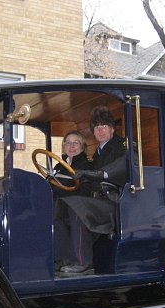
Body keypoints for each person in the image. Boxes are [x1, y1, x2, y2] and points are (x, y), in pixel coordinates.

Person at [56, 105, 127, 275]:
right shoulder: (97, 154)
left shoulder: (122, 146)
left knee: (76, 205)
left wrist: (96, 173)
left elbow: (122, 165)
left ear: (112, 129)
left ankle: (84, 262)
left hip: (113, 201)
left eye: (104, 126)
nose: (100, 130)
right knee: (57, 208)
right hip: (97, 202)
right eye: (96, 128)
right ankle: (65, 258)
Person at [52, 131, 91, 270]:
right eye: (68, 142)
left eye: (76, 142)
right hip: (62, 204)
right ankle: (63, 258)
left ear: (82, 146)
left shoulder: (86, 165)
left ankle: (82, 260)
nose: (71, 146)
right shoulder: (59, 166)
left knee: (73, 209)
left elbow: (84, 190)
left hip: (80, 205)